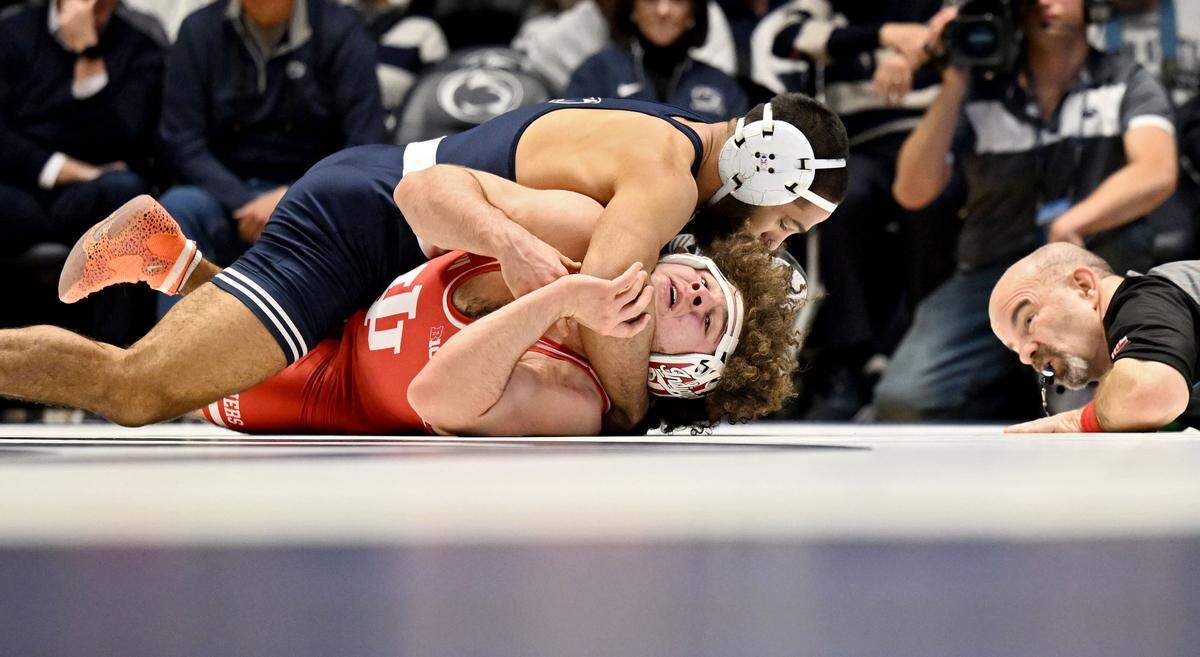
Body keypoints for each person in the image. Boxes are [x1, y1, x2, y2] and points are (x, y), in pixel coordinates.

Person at [18, 92, 845, 433]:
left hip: (401, 224)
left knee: (290, 366)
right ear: (762, 167)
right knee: (139, 389)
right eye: (788, 218)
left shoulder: (671, 142)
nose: (774, 238)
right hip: (372, 226)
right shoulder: (661, 185)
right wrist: (650, 412)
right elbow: (605, 316)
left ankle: (172, 256)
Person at [872, 0, 1178, 422]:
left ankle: (1095, 379)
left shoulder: (1125, 78)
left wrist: (1077, 219)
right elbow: (912, 190)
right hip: (994, 273)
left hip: (1090, 261)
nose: (1047, 3)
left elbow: (1157, 171)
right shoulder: (982, 89)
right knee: (902, 397)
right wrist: (956, 74)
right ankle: (1017, 388)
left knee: (1103, 397)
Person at [201, 234, 797, 435]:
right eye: (705, 282)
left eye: (709, 319)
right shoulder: (583, 237)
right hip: (339, 287)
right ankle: (186, 270)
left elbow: (432, 398)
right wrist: (503, 233)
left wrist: (558, 299)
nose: (698, 295)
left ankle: (183, 271)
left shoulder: (579, 399)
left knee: (189, 385)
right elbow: (423, 192)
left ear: (685, 373)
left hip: (326, 387)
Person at [750, 0, 956, 419]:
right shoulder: (829, 8)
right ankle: (850, 359)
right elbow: (784, 35)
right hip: (856, 147)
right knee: (838, 204)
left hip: (931, 139)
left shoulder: (937, 7)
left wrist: (918, 49)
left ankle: (919, 347)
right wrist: (886, 36)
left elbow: (970, 25)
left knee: (933, 200)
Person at [156, 0, 386, 298]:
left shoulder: (341, 28)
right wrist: (243, 202)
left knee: (359, 210)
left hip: (314, 195)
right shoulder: (199, 30)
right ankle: (179, 342)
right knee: (177, 209)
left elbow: (366, 141)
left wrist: (291, 196)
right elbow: (181, 139)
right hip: (225, 196)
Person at [0, 0, 164, 258]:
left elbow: (126, 138)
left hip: (95, 190)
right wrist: (58, 168)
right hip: (21, 179)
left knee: (126, 191)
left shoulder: (141, 47)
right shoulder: (11, 32)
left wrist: (89, 53)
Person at [990, 242, 1200, 433]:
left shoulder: (1148, 297)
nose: (1025, 356)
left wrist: (1078, 421)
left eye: (1029, 320)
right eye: (1015, 348)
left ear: (1084, 286)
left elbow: (1153, 392)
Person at [565, 0, 747, 122]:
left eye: (677, 0)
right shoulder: (596, 73)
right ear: (632, 10)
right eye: (651, 0)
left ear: (694, 13)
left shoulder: (722, 86)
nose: (663, 10)